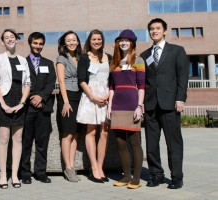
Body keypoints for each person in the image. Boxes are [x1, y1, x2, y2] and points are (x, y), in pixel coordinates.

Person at [140, 18, 189, 189]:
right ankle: (156, 175)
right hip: (151, 105)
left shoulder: (177, 51)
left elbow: (182, 77)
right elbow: (143, 82)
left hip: (170, 104)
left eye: (158, 28)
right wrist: (141, 103)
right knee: (151, 144)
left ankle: (176, 176)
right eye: (152, 29)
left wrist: (180, 98)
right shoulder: (144, 55)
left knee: (173, 143)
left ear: (165, 31)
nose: (154, 31)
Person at [0, 29, 31, 189]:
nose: (9, 39)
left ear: (16, 39)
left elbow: (28, 83)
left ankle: (14, 174)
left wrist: (22, 102)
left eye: (12, 37)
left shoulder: (23, 60)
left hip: (19, 101)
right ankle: (3, 175)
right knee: (3, 139)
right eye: (6, 38)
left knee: (18, 139)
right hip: (4, 101)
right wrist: (2, 104)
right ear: (2, 41)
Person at [107, 30, 145, 189]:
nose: (123, 43)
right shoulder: (115, 62)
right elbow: (112, 87)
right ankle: (126, 176)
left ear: (132, 43)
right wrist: (109, 107)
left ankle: (136, 178)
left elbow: (142, 86)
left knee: (134, 142)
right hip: (117, 105)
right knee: (120, 142)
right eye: (121, 40)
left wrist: (139, 106)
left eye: (126, 40)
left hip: (132, 104)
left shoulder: (138, 59)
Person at [77, 29, 112, 183]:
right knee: (91, 132)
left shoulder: (109, 57)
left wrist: (107, 95)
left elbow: (113, 79)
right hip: (91, 96)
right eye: (93, 39)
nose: (96, 42)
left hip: (106, 97)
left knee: (104, 133)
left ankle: (100, 166)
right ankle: (93, 167)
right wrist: (93, 96)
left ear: (102, 40)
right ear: (89, 42)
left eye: (99, 39)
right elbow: (82, 79)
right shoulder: (84, 58)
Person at [21, 32, 56, 184]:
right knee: (26, 141)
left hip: (43, 107)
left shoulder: (48, 63)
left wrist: (40, 97)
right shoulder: (22, 62)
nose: (38, 46)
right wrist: (31, 98)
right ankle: (25, 173)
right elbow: (20, 83)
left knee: (42, 142)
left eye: (41, 43)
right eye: (35, 43)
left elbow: (51, 83)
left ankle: (40, 172)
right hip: (27, 108)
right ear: (30, 43)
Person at [56, 31, 82, 182]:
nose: (71, 42)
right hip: (68, 98)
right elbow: (61, 81)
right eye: (68, 40)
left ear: (78, 42)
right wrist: (65, 101)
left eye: (74, 40)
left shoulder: (79, 58)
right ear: (64, 43)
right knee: (67, 133)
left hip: (80, 97)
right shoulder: (62, 58)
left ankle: (72, 166)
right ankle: (68, 168)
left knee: (76, 133)